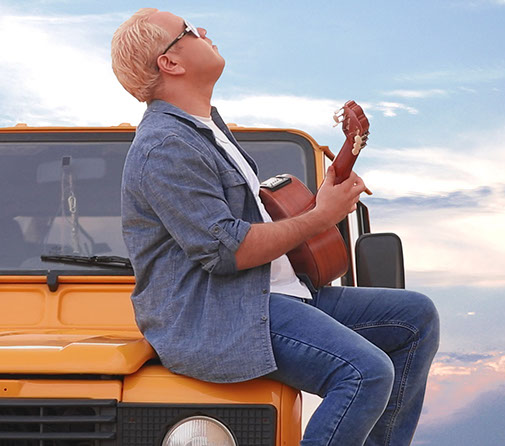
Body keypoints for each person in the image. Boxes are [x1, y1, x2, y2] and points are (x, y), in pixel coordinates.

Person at [112, 8, 439, 446]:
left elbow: (251, 226)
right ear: (170, 62)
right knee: (365, 372)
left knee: (417, 318)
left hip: (273, 296)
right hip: (225, 313)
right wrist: (321, 217)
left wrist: (322, 200)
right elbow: (228, 250)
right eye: (189, 30)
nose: (203, 30)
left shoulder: (206, 129)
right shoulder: (166, 146)